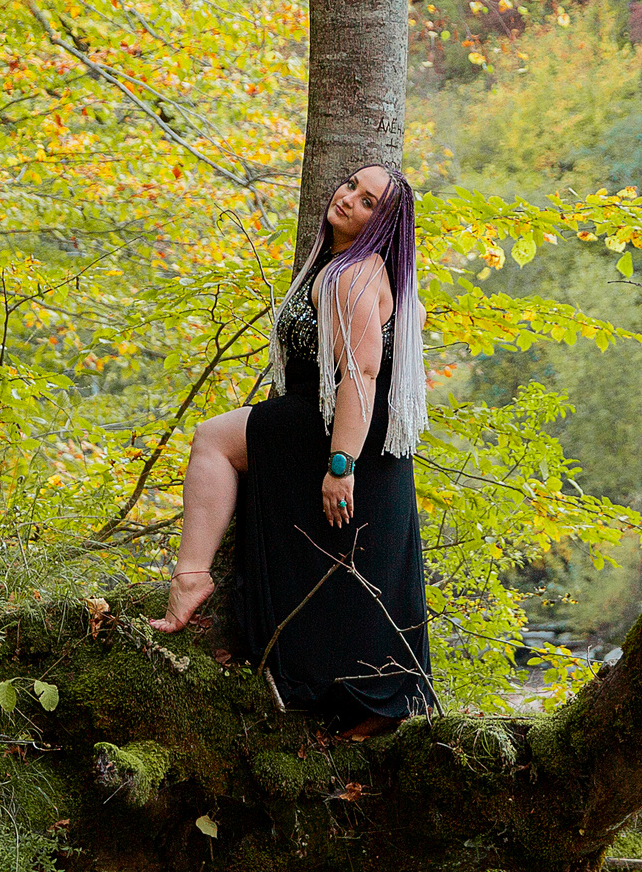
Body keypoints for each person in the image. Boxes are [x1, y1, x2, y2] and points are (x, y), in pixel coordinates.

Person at [156, 164, 435, 737]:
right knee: (351, 566)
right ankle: (366, 704)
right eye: (351, 185)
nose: (349, 199)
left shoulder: (353, 277)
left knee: (213, 439)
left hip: (338, 427)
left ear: (382, 223)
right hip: (354, 429)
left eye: (368, 201)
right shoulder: (355, 269)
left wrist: (340, 465)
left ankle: (191, 577)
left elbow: (359, 371)